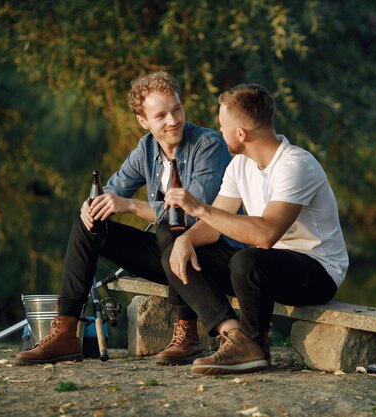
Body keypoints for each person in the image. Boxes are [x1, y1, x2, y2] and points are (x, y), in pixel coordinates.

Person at [16, 71, 236, 366]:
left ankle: (188, 334)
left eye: (177, 109)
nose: (173, 120)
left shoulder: (207, 145)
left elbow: (194, 217)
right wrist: (91, 206)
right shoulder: (145, 149)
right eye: (161, 115)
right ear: (143, 121)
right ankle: (67, 332)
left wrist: (131, 206)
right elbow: (111, 191)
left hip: (217, 258)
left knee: (171, 230)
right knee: (90, 224)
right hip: (172, 260)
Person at [162, 83, 349, 375]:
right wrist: (185, 239)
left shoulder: (296, 165)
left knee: (247, 260)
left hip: (317, 271)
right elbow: (213, 228)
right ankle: (236, 339)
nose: (219, 131)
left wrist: (198, 208)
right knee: (176, 253)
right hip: (267, 266)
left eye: (223, 126)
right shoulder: (240, 166)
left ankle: (253, 343)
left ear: (241, 134)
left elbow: (265, 234)